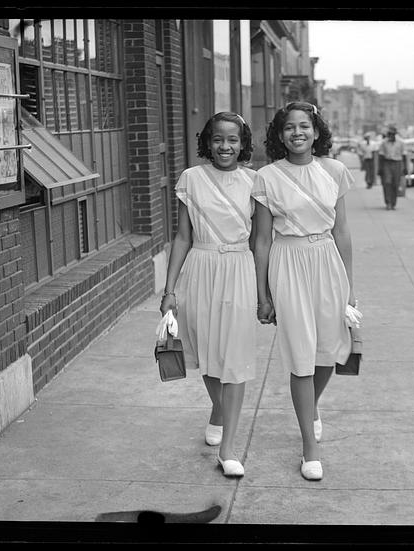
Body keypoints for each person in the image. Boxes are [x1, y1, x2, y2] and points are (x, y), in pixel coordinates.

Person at [252, 102, 356, 481]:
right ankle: (309, 446)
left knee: (328, 352)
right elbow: (262, 240)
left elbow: (342, 231)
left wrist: (349, 288)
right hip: (288, 261)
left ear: (316, 132)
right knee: (300, 354)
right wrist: (263, 294)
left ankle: (310, 407)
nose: (297, 132)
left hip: (326, 258)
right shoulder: (266, 177)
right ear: (279, 136)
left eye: (305, 126)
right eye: (289, 128)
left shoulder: (335, 171)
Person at [160, 112, 257, 478]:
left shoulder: (255, 181)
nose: (225, 146)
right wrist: (169, 289)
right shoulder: (191, 179)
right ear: (208, 141)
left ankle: (229, 448)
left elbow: (261, 240)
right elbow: (182, 236)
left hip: (238, 268)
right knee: (204, 351)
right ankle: (219, 409)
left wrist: (264, 292)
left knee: (234, 357)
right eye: (218, 139)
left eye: (233, 139)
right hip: (199, 269)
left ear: (243, 143)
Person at [378, 124, 406, 210]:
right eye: (389, 134)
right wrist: (380, 168)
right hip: (387, 163)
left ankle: (393, 202)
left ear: (395, 134)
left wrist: (405, 167)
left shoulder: (401, 143)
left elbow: (404, 156)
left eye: (392, 134)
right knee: (387, 183)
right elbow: (381, 156)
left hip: (397, 163)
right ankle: (388, 202)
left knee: (395, 183)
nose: (390, 136)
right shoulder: (384, 143)